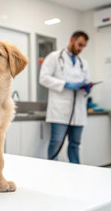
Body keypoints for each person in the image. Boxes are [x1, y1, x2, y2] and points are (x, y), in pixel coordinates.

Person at [39, 31, 92, 164]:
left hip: (78, 110)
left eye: (83, 46)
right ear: (71, 40)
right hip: (59, 110)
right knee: (56, 143)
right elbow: (43, 78)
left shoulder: (83, 63)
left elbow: (87, 81)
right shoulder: (54, 57)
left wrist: (87, 87)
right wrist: (65, 84)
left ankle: (76, 172)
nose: (80, 49)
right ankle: (53, 172)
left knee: (75, 145)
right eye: (79, 44)